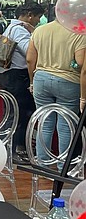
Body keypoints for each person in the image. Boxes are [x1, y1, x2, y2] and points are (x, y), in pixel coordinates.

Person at [26, 20, 86, 164]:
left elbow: (29, 59)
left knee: (44, 123)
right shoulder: (79, 33)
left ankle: (43, 164)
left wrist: (32, 81)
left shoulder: (40, 30)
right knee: (65, 126)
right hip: (68, 81)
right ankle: (62, 167)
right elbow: (80, 63)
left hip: (41, 79)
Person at [0, 0, 45, 163]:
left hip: (8, 74)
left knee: (13, 112)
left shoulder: (11, 26)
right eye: (38, 17)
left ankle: (12, 148)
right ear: (29, 15)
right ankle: (14, 150)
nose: (38, 21)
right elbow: (29, 53)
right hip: (17, 76)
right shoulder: (21, 30)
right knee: (18, 113)